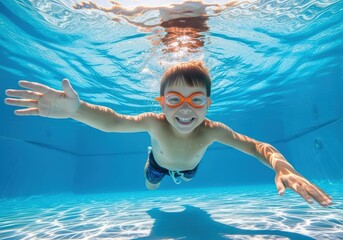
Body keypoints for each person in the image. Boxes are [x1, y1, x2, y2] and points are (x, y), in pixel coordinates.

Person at [4, 61, 333, 207]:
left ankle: (181, 173)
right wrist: (77, 109)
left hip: (190, 165)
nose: (186, 109)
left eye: (197, 100)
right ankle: (153, 169)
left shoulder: (212, 130)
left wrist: (280, 165)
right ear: (162, 103)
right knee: (151, 185)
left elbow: (257, 146)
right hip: (158, 163)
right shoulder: (155, 123)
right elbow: (113, 121)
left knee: (188, 176)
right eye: (175, 100)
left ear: (208, 104)